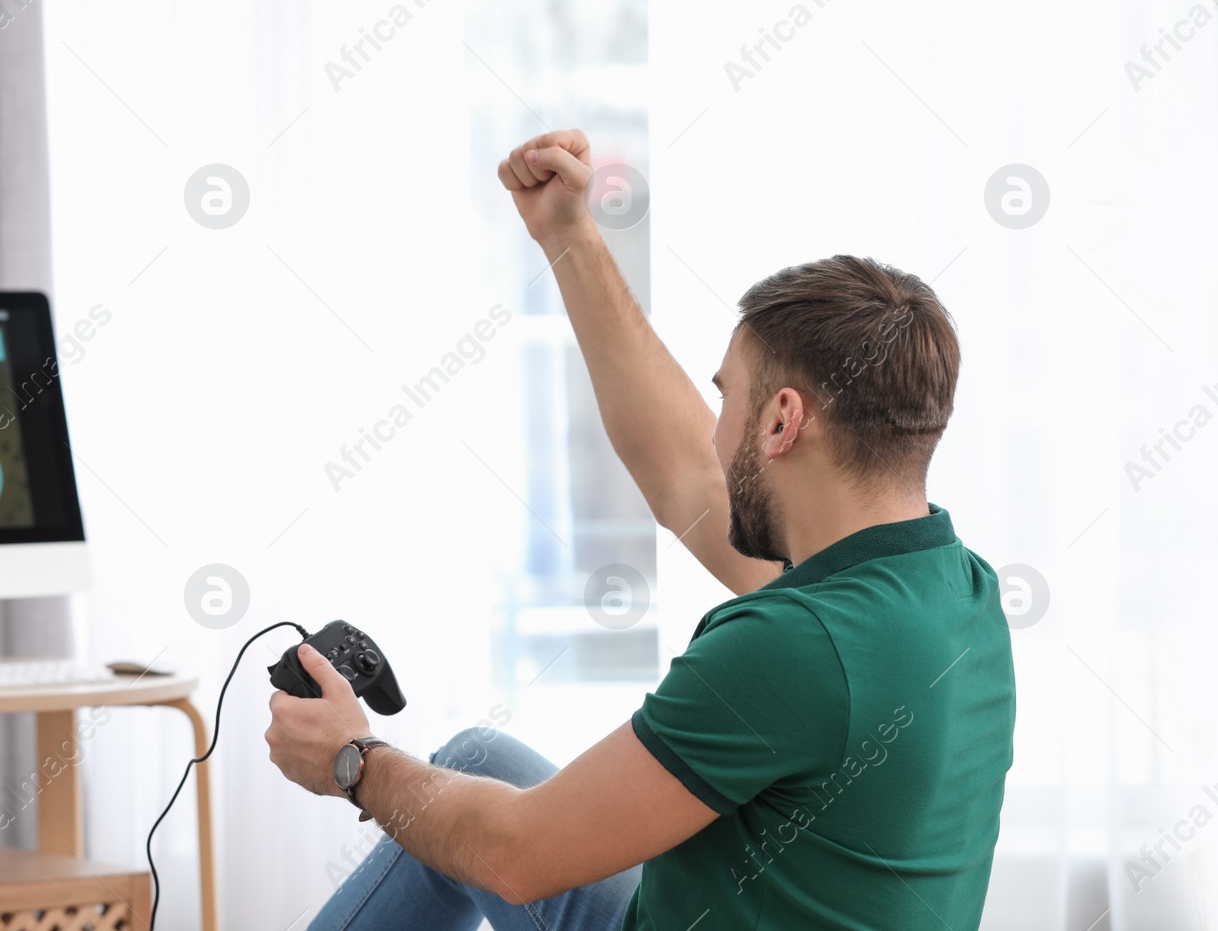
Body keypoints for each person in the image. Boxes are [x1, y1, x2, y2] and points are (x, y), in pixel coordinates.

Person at [266, 129, 1017, 930]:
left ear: (782, 421)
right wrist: (568, 235)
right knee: (477, 763)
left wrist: (354, 761)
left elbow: (514, 857)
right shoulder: (949, 588)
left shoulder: (789, 647)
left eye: (726, 398)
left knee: (461, 818)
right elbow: (685, 474)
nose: (716, 433)